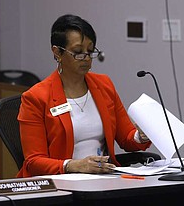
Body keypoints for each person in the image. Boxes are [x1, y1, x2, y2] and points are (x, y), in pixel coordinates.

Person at [17, 14, 151, 177]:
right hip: (60, 182)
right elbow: (34, 161)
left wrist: (141, 136)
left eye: (90, 51)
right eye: (78, 52)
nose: (86, 58)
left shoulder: (104, 85)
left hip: (102, 179)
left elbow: (126, 138)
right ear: (57, 52)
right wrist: (74, 165)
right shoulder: (36, 97)